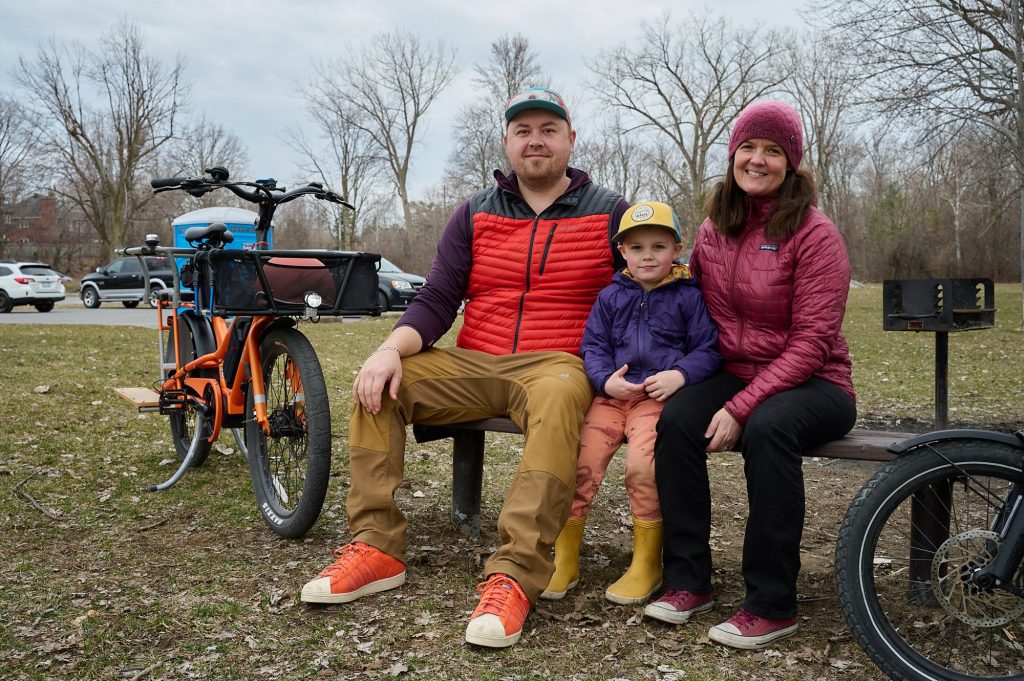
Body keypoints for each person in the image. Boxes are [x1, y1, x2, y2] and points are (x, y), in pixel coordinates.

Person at [299, 86, 631, 649]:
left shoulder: (610, 211)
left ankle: (515, 573)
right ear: (506, 142)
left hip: (557, 364)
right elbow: (436, 299)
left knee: (554, 394)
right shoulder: (474, 211)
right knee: (378, 384)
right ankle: (376, 546)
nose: (535, 141)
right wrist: (387, 351)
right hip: (475, 359)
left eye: (548, 130)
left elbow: (642, 295)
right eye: (523, 131)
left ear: (570, 140)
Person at [643, 100, 856, 650]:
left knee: (769, 428)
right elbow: (694, 311)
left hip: (818, 383)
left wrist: (741, 407)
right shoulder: (716, 227)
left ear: (792, 164)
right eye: (748, 148)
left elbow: (812, 343)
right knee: (679, 420)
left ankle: (771, 602)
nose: (757, 160)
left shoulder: (815, 233)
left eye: (773, 151)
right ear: (733, 154)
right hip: (733, 370)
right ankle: (689, 580)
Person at [540, 201, 720, 606]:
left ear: (676, 248)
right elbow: (594, 346)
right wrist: (605, 380)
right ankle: (565, 558)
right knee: (580, 465)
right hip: (611, 398)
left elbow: (708, 349)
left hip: (655, 402)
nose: (648, 256)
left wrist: (680, 375)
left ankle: (646, 563)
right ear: (622, 251)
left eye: (658, 246)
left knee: (643, 468)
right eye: (636, 248)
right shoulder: (610, 296)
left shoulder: (689, 297)